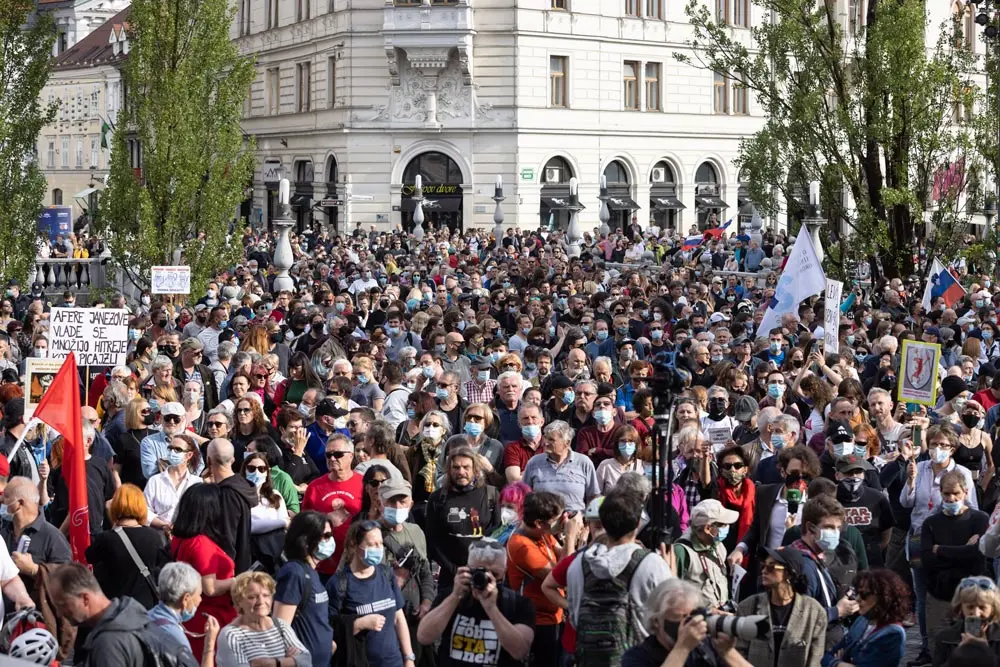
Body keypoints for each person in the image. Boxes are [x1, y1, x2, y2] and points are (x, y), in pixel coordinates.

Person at [567, 489, 673, 665]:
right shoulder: (652, 563)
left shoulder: (578, 564)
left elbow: (574, 616)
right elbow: (669, 617)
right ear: (638, 523)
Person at [902, 424, 979, 665]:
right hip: (919, 537)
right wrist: (911, 480)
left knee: (954, 592)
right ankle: (927, 647)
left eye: (943, 445)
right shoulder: (920, 467)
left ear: (953, 449)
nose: (937, 449)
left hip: (950, 540)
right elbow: (906, 502)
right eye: (933, 444)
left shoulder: (962, 473)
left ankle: (959, 645)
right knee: (922, 594)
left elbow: (973, 508)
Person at [50, 561, 200, 667]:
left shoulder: (108, 644)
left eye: (62, 604)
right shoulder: (132, 614)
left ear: (85, 598)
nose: (59, 612)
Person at [416, 540, 536, 667]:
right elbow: (424, 637)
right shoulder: (451, 596)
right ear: (467, 570)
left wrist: (492, 608)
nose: (488, 578)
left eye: (494, 574)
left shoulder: (518, 604)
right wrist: (455, 597)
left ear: (504, 575)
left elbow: (519, 651)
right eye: (480, 572)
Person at [506, 491, 583, 667]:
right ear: (539, 523)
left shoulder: (541, 533)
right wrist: (570, 536)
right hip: (537, 622)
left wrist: (576, 537)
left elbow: (563, 555)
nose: (562, 522)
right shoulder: (522, 546)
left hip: (553, 617)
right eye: (557, 520)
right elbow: (564, 576)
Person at [327, 519, 415, 667]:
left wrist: (409, 658)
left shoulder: (386, 575)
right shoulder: (338, 584)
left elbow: (399, 619)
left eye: (380, 543)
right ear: (354, 546)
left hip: (393, 662)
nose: (378, 548)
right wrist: (359, 624)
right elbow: (330, 631)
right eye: (371, 544)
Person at [921, 470, 990, 646]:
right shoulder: (931, 523)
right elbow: (927, 559)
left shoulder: (979, 519)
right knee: (939, 643)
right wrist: (964, 549)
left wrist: (942, 549)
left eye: (956, 493)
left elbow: (978, 555)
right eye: (946, 494)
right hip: (940, 594)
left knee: (973, 644)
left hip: (972, 598)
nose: (951, 498)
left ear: (965, 492)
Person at [621, 578, 752, 667]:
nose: (691, 623)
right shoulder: (638, 656)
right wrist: (682, 648)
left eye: (693, 615)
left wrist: (727, 652)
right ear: (656, 621)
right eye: (681, 617)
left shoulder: (706, 648)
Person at [170, 483, 237, 659]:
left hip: (195, 616)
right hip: (211, 619)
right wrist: (237, 581)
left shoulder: (182, 539)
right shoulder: (201, 544)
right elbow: (210, 587)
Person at [425, 446, 501, 595]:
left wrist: (484, 567)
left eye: (466, 467)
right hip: (450, 578)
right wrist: (453, 569)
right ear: (449, 469)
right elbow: (432, 541)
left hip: (485, 574)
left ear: (475, 469)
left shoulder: (490, 494)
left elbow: (498, 532)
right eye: (456, 467)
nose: (461, 472)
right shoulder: (438, 498)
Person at [735, 547, 827, 667]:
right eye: (763, 566)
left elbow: (815, 660)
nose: (764, 571)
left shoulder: (814, 612)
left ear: (789, 573)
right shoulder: (747, 607)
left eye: (771, 567)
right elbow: (739, 653)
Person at [87, 483, 171, 610]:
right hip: (146, 606)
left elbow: (89, 556)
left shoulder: (107, 538)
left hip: (116, 607)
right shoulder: (153, 536)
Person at [274, 511, 337, 667]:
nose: (330, 541)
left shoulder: (311, 571)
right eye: (326, 536)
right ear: (306, 540)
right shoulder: (294, 573)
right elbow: (281, 627)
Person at [215, 571, 312, 667]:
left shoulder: (280, 626)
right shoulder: (231, 635)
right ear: (239, 601)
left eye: (266, 595)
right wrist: (291, 661)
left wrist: (274, 663)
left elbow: (306, 661)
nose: (261, 601)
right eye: (252, 597)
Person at [302, 432, 363, 577]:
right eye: (328, 455)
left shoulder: (364, 483)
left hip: (357, 564)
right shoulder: (314, 487)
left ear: (351, 455)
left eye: (338, 454)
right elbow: (305, 526)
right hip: (323, 565)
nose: (332, 458)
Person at [820, 569, 909, 667]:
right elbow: (826, 657)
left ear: (883, 597)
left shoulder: (893, 633)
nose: (857, 598)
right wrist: (839, 664)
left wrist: (836, 663)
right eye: (857, 593)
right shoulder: (861, 621)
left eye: (864, 595)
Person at [1, 475, 71, 592]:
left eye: (7, 496)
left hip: (35, 608)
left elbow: (67, 580)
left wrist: (34, 570)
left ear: (20, 503)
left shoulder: (53, 537)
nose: (2, 500)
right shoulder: (3, 534)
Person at [672, 499, 737, 611]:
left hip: (721, 617)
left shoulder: (719, 545)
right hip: (697, 620)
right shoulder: (681, 551)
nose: (727, 527)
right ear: (708, 528)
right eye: (723, 524)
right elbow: (671, 595)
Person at [207, 438, 260, 574]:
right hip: (242, 565)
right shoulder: (242, 485)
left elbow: (227, 536)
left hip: (231, 570)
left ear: (208, 461)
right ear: (232, 460)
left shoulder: (227, 494)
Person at [148, 561, 220, 661]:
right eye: (199, 594)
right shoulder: (176, 638)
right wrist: (210, 644)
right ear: (186, 598)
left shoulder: (146, 616)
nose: (200, 599)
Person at [523, 420, 600, 513]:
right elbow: (524, 494)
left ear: (567, 443)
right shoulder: (534, 463)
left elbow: (593, 496)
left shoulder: (584, 463)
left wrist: (587, 522)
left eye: (551, 440)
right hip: (543, 523)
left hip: (574, 522)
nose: (545, 443)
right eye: (545, 438)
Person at [932, 576, 1000, 666]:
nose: (976, 613)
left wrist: (985, 651)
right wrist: (961, 654)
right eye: (970, 607)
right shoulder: (945, 638)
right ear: (961, 607)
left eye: (982, 607)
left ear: (992, 608)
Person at [143, 433, 203, 529]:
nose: (172, 452)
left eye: (178, 450)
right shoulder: (155, 481)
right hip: (158, 535)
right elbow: (145, 510)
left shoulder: (197, 482)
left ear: (189, 455)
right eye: (170, 448)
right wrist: (163, 525)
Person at [595, 424, 646, 493]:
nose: (626, 444)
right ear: (617, 444)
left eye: (630, 441)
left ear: (636, 444)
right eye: (623, 441)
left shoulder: (643, 466)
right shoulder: (606, 465)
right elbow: (595, 494)